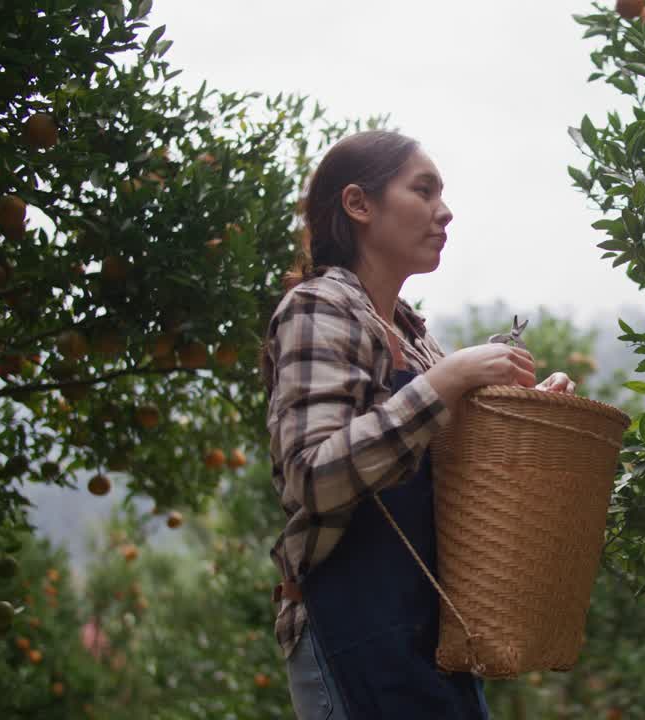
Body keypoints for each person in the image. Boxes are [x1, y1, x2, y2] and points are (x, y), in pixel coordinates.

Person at [259, 130, 577, 719]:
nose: (445, 210)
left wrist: (536, 414)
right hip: (350, 629)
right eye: (423, 190)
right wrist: (447, 381)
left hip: (430, 633)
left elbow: (458, 478)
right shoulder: (317, 308)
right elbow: (310, 476)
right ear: (359, 205)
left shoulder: (412, 333)